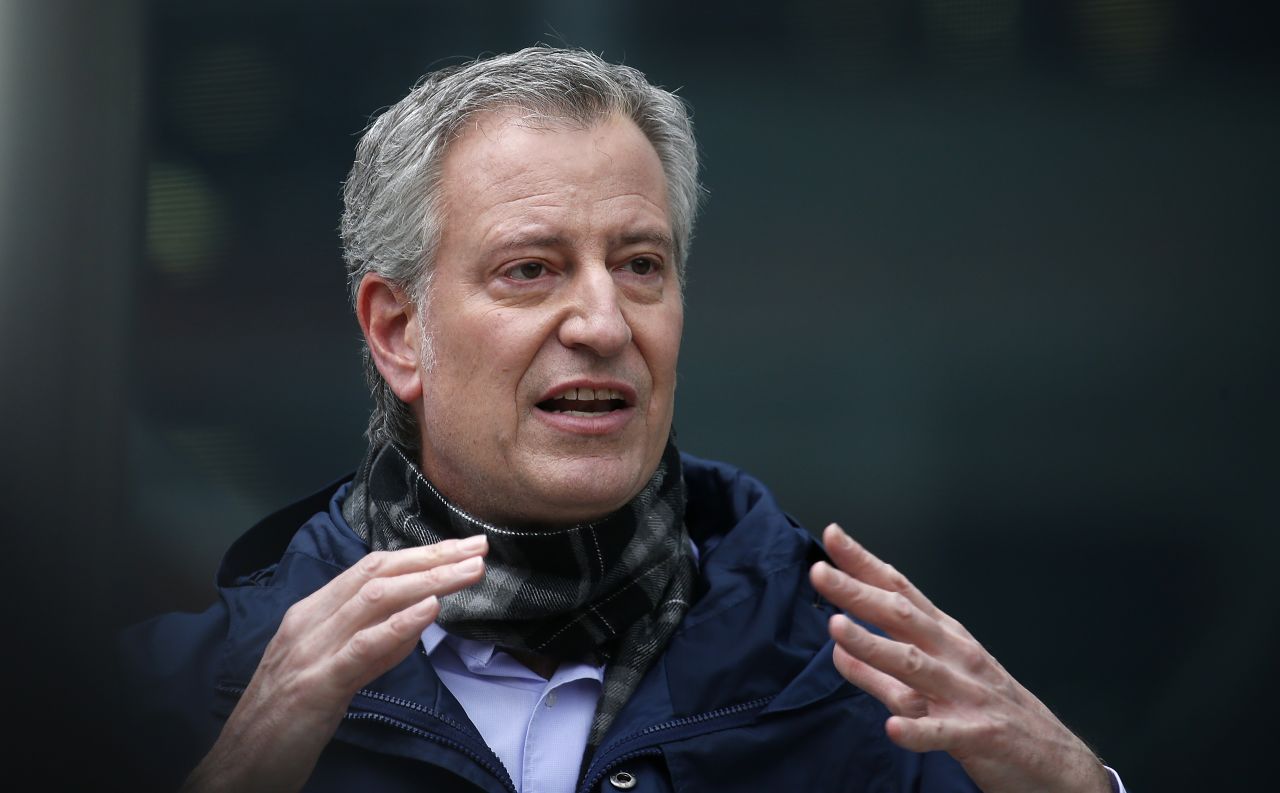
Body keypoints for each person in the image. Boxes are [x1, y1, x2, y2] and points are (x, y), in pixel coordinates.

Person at [120, 47, 1125, 793]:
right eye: (531, 270)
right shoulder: (183, 696)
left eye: (640, 265)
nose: (603, 323)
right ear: (397, 332)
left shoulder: (854, 690)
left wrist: (1078, 784)